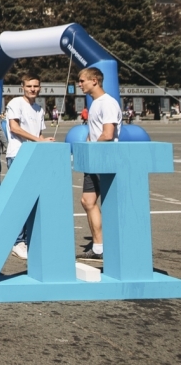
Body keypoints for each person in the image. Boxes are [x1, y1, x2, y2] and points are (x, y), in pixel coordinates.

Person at [5, 73, 53, 260]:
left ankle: (27, 239)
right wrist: (39, 141)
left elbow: (38, 134)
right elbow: (14, 128)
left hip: (34, 155)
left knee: (33, 200)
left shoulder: (39, 109)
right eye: (29, 86)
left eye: (36, 86)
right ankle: (18, 242)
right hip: (18, 154)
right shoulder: (15, 103)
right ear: (22, 87)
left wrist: (44, 142)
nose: (33, 89)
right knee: (20, 200)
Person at [78, 67, 121, 261]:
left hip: (105, 160)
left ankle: (111, 246)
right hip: (94, 159)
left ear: (94, 80)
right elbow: (94, 133)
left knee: (111, 204)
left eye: (82, 81)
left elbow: (108, 134)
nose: (79, 84)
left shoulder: (108, 103)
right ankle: (98, 248)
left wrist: (92, 149)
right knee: (87, 201)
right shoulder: (94, 104)